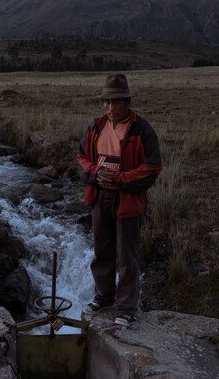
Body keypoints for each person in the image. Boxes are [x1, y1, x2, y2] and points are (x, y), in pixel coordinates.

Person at [76, 74, 162, 327]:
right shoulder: (96, 127)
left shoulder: (142, 130)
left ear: (127, 102)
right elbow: (81, 158)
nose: (110, 108)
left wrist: (121, 179)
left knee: (127, 256)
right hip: (100, 197)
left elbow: (153, 167)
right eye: (106, 102)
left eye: (116, 103)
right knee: (102, 251)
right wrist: (94, 174)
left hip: (127, 201)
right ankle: (104, 297)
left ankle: (125, 308)